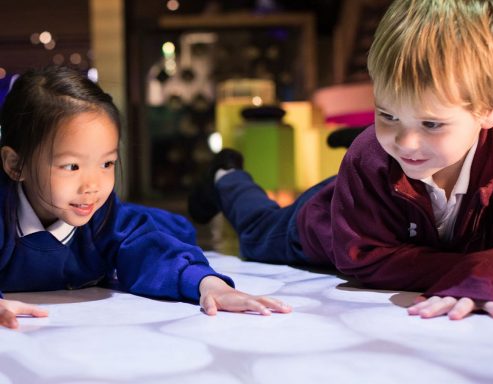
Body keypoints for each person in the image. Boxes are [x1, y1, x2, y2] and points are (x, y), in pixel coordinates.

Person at [188, 0, 493, 320]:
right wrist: (470, 269)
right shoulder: (370, 155)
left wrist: (485, 274)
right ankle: (226, 176)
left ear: (490, 109)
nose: (405, 142)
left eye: (431, 123)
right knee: (257, 232)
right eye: (387, 115)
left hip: (380, 192)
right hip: (322, 220)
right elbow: (366, 259)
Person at [0, 66, 291, 330]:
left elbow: (148, 251)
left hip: (148, 223)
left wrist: (210, 285)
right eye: (71, 166)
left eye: (107, 164)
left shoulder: (104, 217)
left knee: (171, 231)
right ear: (16, 165)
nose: (92, 185)